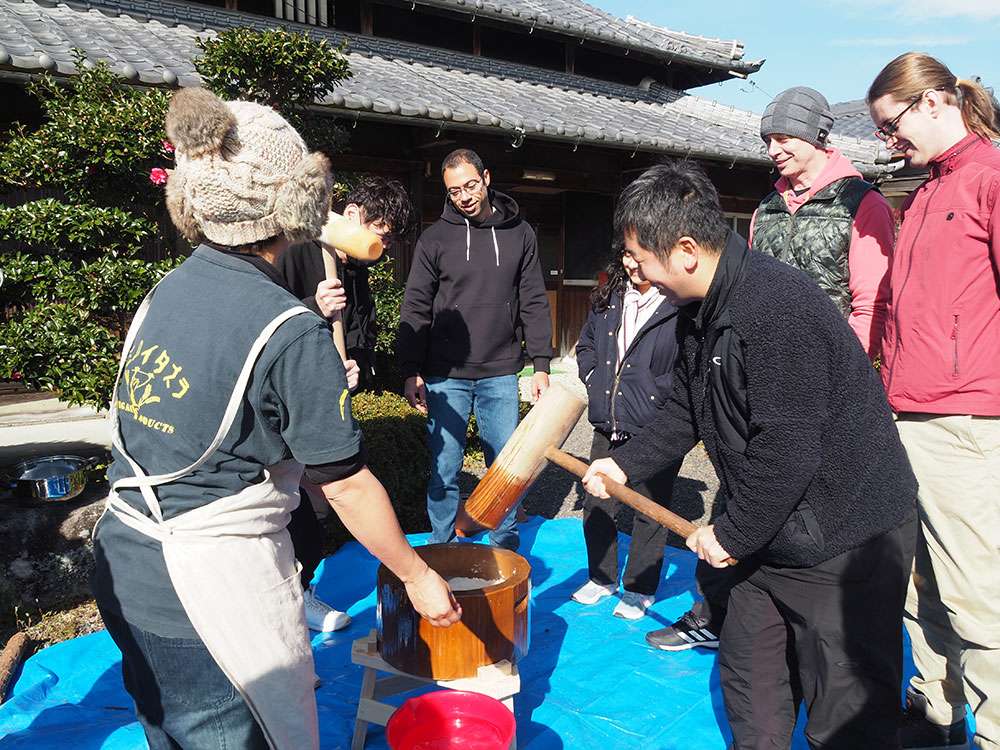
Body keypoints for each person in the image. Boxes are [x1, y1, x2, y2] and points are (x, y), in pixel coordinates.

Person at [90, 88, 460, 749]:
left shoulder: (164, 290)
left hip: (121, 563)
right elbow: (344, 484)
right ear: (298, 203)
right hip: (203, 594)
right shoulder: (290, 331)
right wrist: (417, 574)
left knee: (164, 731)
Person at [582, 161, 917, 749]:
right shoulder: (696, 312)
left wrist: (731, 533)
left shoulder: (776, 308)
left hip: (846, 537)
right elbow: (686, 405)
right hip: (769, 534)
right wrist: (625, 463)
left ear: (686, 249)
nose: (634, 270)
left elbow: (787, 448)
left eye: (640, 256)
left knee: (846, 712)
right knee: (753, 684)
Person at [868, 52, 1000, 750]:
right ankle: (937, 707)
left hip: (967, 420)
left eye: (893, 126)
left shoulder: (990, 178)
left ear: (936, 101)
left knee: (978, 594)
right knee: (917, 581)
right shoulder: (922, 194)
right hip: (907, 412)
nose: (891, 142)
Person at [276, 176, 414, 632]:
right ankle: (289, 597)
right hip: (288, 404)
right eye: (381, 232)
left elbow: (357, 335)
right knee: (295, 502)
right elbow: (263, 324)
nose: (382, 246)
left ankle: (300, 588)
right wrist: (311, 305)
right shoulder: (296, 251)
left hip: (329, 400)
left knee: (318, 499)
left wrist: (356, 366)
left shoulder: (352, 268)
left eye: (389, 239)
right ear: (351, 217)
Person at [398, 148, 553, 550]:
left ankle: (505, 544)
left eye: (469, 185)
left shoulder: (521, 234)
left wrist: (540, 364)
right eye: (454, 191)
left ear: (486, 178)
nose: (464, 196)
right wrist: (410, 368)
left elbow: (534, 298)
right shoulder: (435, 239)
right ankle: (443, 545)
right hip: (444, 374)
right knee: (444, 468)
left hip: (501, 369)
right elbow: (415, 304)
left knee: (504, 466)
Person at [571, 249, 682, 620]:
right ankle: (601, 578)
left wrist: (660, 394)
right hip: (610, 420)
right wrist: (592, 377)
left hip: (656, 425)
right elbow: (586, 343)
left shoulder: (678, 302)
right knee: (597, 502)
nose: (633, 264)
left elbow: (684, 365)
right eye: (627, 255)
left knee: (649, 509)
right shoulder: (611, 297)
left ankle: (639, 587)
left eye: (642, 255)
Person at [752, 86, 895, 359]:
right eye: (768, 141)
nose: (772, 151)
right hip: (766, 362)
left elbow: (873, 303)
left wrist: (848, 370)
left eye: (783, 139)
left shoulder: (861, 202)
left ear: (815, 137)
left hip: (831, 364)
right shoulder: (766, 208)